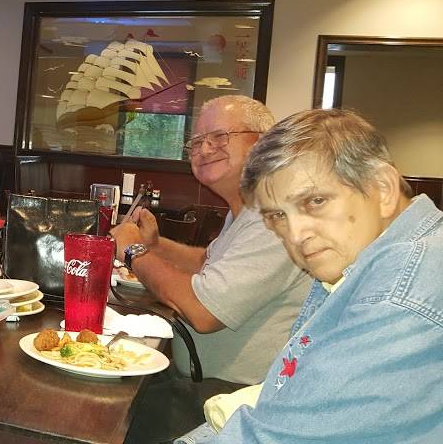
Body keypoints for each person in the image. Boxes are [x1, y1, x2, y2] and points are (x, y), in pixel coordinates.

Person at [178, 109, 443, 443]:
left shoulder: (397, 299)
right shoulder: (363, 261)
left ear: (383, 189)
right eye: (278, 215)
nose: (296, 234)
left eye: (315, 201)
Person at [112, 95, 310, 442]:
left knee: (106, 415)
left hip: (234, 400)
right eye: (196, 142)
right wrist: (156, 246)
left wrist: (133, 251)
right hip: (200, 381)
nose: (204, 149)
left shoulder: (273, 218)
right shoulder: (246, 209)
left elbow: (204, 311)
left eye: (219, 137)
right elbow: (207, 262)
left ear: (263, 142)